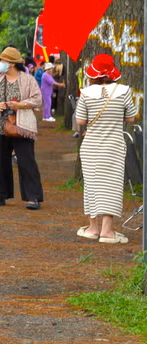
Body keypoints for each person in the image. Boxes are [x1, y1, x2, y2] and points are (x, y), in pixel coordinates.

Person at [0, 46, 44, 210]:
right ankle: (0, 194)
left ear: (11, 63)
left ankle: (33, 197)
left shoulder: (27, 79)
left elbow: (37, 99)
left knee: (27, 161)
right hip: (0, 124)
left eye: (2, 60)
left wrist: (20, 105)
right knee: (1, 161)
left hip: (22, 125)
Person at [74, 54, 137, 243]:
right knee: (112, 185)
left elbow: (81, 121)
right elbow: (132, 118)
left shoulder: (85, 93)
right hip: (114, 145)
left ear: (94, 72)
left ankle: (93, 228)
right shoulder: (124, 91)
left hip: (91, 145)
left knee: (92, 185)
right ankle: (107, 231)